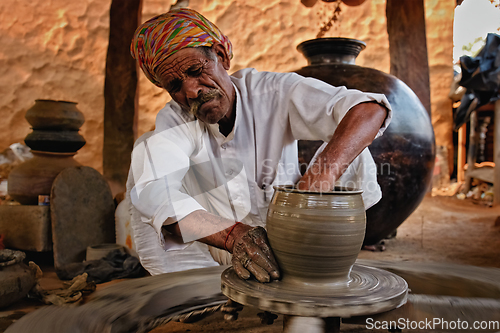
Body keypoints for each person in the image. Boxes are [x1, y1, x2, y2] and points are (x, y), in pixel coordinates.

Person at [127, 8, 391, 282]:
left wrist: (317, 181)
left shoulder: (273, 91)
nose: (191, 91)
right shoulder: (175, 119)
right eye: (175, 86)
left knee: (351, 137)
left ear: (221, 55)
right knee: (146, 158)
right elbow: (156, 194)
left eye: (195, 70)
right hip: (225, 244)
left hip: (295, 231)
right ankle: (194, 292)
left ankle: (327, 262)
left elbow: (369, 109)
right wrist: (233, 235)